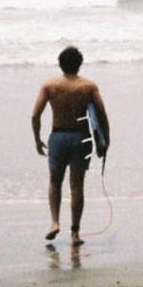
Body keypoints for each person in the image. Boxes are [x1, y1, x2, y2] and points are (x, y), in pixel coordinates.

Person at [31, 46, 110, 247]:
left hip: (58, 136)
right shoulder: (88, 87)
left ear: (60, 63)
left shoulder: (49, 85)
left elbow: (35, 115)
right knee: (77, 186)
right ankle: (75, 232)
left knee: (55, 182)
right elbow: (101, 115)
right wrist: (105, 140)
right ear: (80, 63)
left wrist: (37, 138)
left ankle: (55, 222)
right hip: (81, 137)